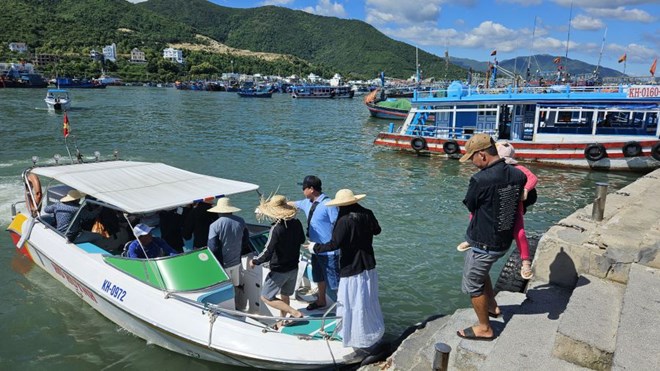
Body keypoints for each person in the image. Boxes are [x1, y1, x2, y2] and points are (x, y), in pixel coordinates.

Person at [456, 133, 526, 341]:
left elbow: (470, 204)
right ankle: (492, 306)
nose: (472, 163)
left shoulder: (480, 179)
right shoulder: (518, 174)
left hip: (483, 242)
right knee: (482, 272)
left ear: (482, 155)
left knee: (473, 284)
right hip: (503, 240)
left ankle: (485, 328)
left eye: (472, 158)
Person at [308, 189, 385, 349]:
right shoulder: (367, 213)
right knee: (367, 300)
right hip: (368, 265)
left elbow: (334, 244)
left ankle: (353, 335)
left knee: (350, 302)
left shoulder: (343, 220)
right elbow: (377, 230)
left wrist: (315, 247)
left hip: (351, 267)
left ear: (341, 205)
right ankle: (370, 331)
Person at [457, 141, 537, 280]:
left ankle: (525, 262)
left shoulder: (518, 170)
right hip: (501, 208)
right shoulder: (509, 171)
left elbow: (532, 178)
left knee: (519, 232)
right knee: (475, 215)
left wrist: (525, 190)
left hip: (514, 208)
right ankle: (470, 240)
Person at [249, 195, 305, 329]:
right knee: (285, 295)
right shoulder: (297, 223)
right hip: (293, 267)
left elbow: (267, 251)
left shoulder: (276, 228)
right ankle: (283, 320)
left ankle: (294, 312)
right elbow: (302, 240)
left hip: (279, 269)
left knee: (266, 297)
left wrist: (255, 261)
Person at [291, 175, 339, 311]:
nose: (302, 191)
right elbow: (293, 204)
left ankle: (344, 308)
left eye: (303, 188)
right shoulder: (307, 203)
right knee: (319, 277)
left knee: (334, 282)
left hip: (329, 251)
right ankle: (321, 300)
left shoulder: (329, 204)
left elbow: (338, 225)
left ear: (311, 189)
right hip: (315, 249)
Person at [207, 198, 250, 297]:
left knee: (226, 288)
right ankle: (238, 306)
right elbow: (246, 240)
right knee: (236, 285)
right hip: (237, 261)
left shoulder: (214, 225)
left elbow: (212, 248)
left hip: (223, 264)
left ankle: (231, 308)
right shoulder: (241, 221)